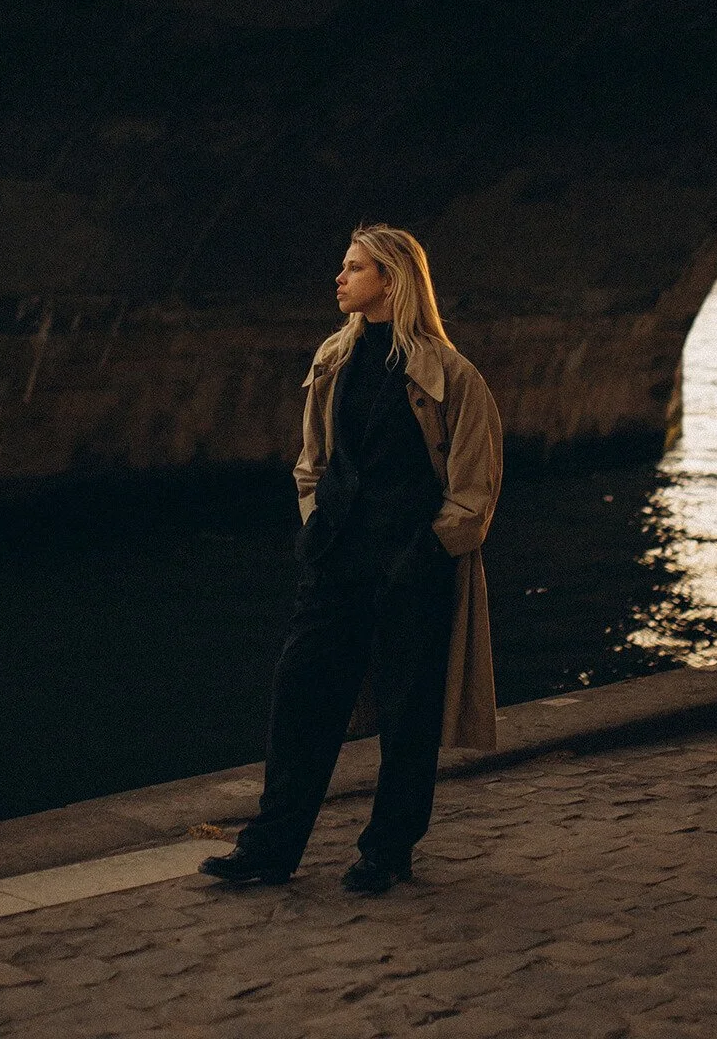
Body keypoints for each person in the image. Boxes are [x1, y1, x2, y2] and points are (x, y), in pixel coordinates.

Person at [200, 223, 503, 895]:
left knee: (407, 716)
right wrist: (313, 530)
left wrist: (425, 550)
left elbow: (473, 493)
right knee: (299, 699)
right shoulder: (333, 359)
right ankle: (269, 850)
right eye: (343, 266)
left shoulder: (452, 376)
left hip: (413, 568)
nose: (338, 278)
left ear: (390, 280)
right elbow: (311, 463)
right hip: (336, 563)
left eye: (353, 267)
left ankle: (386, 851)